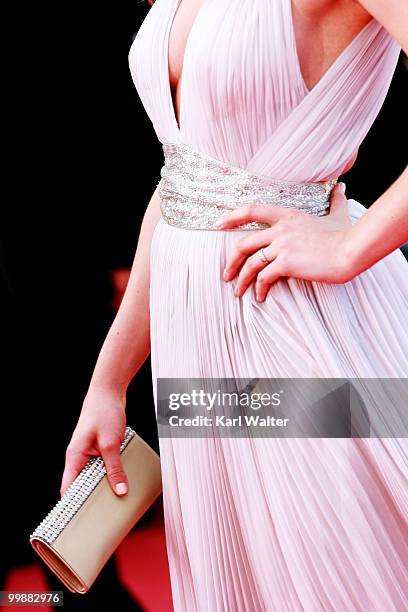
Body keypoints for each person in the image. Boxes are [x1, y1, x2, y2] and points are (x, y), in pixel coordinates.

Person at [61, 0, 408, 610]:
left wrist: (355, 243)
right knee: (239, 582)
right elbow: (183, 183)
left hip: (298, 327)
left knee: (339, 579)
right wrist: (109, 381)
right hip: (192, 343)